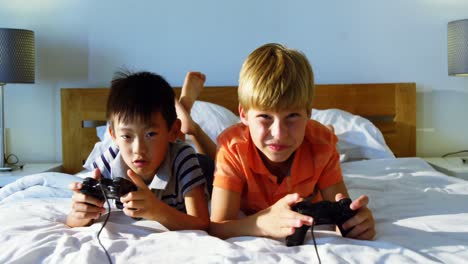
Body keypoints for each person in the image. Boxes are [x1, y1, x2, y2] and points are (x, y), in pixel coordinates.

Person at [209, 43, 375, 240]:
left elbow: (341, 221)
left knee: (324, 138)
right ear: (244, 114)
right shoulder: (232, 148)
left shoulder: (322, 146)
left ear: (308, 113)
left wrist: (354, 223)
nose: (279, 134)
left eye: (293, 116)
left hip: (317, 146)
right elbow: (217, 227)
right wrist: (260, 223)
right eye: (265, 116)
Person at [66, 71, 210, 231]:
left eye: (151, 134)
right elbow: (72, 222)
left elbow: (202, 224)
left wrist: (157, 211)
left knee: (214, 162)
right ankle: (182, 114)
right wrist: (80, 213)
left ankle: (190, 124)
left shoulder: (184, 158)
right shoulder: (111, 159)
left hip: (202, 166)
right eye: (126, 136)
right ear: (113, 135)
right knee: (167, 145)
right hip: (167, 147)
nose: (138, 149)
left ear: (173, 130)